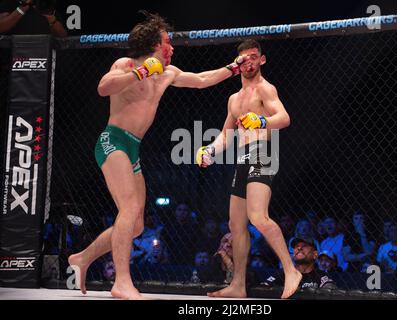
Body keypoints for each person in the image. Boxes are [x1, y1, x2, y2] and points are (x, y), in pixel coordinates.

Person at [68, 11, 249, 300]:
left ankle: (83, 257)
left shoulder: (168, 73)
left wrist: (233, 68)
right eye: (167, 42)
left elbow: (201, 79)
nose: (172, 47)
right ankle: (122, 282)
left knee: (136, 224)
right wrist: (141, 72)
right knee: (128, 209)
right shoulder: (126, 64)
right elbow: (104, 87)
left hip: (133, 147)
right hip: (112, 141)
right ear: (154, 44)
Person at [197, 39, 302, 299]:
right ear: (238, 63)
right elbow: (225, 135)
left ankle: (291, 270)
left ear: (262, 60)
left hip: (262, 153)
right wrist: (208, 150)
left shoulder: (266, 90)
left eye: (253, 57)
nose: (249, 62)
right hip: (242, 157)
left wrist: (262, 119)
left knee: (258, 216)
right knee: (236, 225)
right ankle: (238, 285)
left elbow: (284, 118)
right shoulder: (233, 99)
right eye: (244, 58)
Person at [261, 237, 337, 291]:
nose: (299, 248)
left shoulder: (321, 276)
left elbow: (331, 291)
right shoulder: (282, 274)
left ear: (315, 255)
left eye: (304, 246)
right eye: (296, 246)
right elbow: (262, 289)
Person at [0, 0, 67, 36]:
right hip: (15, 55)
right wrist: (22, 8)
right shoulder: (9, 3)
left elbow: (63, 35)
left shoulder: (45, 4)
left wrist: (52, 21)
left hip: (42, 56)